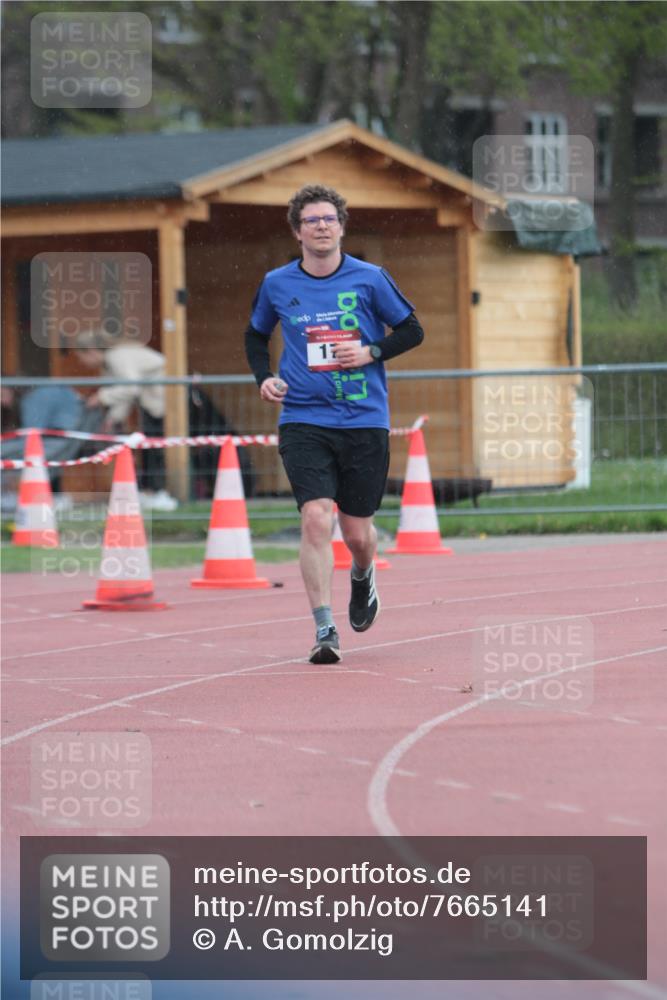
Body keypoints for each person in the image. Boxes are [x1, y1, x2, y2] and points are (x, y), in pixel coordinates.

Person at [244, 183, 424, 664]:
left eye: (329, 219)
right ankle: (325, 627)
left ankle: (362, 576)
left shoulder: (370, 278)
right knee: (315, 516)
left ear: (341, 227)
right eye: (312, 220)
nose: (321, 227)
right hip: (304, 417)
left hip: (364, 419)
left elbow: (412, 329)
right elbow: (256, 334)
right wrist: (264, 377)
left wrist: (370, 351)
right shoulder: (278, 283)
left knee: (358, 533)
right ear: (297, 231)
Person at [74, 333, 178, 511]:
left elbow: (130, 388)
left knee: (154, 449)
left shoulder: (118, 356)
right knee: (148, 448)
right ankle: (151, 492)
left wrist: (100, 397)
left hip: (168, 403)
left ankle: (160, 493)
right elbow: (125, 393)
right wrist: (114, 418)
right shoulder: (110, 362)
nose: (82, 363)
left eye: (81, 356)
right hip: (155, 403)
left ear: (91, 351)